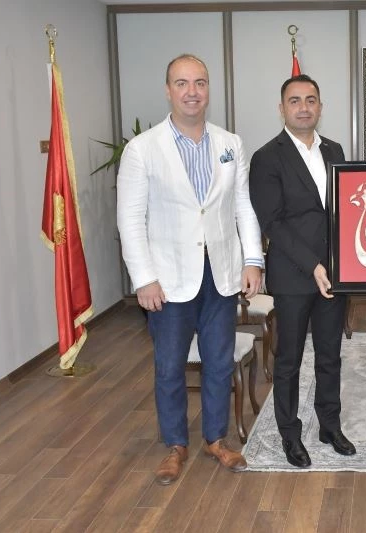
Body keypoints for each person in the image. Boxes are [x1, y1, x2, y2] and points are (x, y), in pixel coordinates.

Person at [117, 54, 263, 485]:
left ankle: (215, 439)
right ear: (168, 91)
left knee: (219, 362)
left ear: (208, 89)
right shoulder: (143, 149)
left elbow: (242, 205)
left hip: (220, 275)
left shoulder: (229, 143)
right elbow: (130, 219)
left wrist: (252, 260)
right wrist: (144, 278)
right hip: (166, 280)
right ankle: (175, 445)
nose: (192, 91)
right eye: (182, 83)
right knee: (169, 367)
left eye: (200, 82)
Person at [249, 74, 355, 468]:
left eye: (310, 100)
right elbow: (273, 223)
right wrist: (313, 266)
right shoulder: (266, 157)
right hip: (294, 275)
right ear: (282, 109)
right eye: (295, 101)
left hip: (335, 276)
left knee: (330, 355)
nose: (303, 107)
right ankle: (290, 434)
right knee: (289, 359)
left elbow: (349, 207)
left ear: (320, 107)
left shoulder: (334, 150)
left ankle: (330, 425)